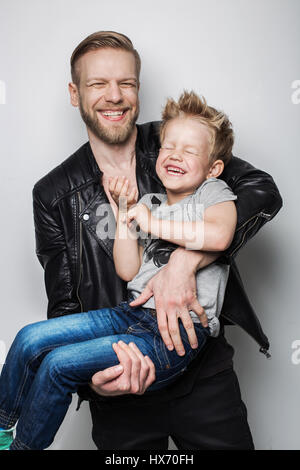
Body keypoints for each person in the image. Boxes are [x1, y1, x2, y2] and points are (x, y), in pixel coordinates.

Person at [28, 31, 281, 450]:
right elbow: (65, 306)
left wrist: (185, 262)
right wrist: (95, 382)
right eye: (97, 84)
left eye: (126, 83)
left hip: (204, 374)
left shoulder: (177, 142)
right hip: (121, 386)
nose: (114, 96)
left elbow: (262, 190)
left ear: (138, 89)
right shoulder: (52, 194)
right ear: (75, 94)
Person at [0, 91, 238, 450]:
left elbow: (220, 236)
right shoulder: (149, 202)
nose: (174, 155)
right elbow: (128, 269)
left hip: (171, 337)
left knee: (58, 365)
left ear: (212, 167)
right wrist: (125, 211)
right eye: (168, 147)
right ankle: (2, 429)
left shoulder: (212, 194)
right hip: (128, 314)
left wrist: (152, 224)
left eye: (189, 150)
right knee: (29, 339)